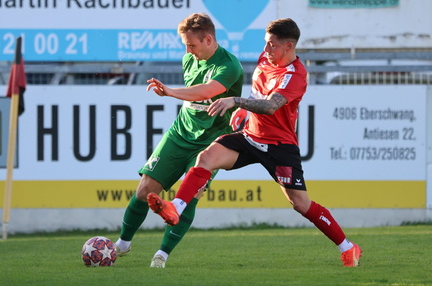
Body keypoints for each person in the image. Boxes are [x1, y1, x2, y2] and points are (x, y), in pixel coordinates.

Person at [148, 18, 363, 267]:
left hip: (279, 146)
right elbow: (258, 93)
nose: (266, 50)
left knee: (301, 204)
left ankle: (348, 248)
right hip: (249, 137)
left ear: (289, 46)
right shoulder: (265, 58)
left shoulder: (296, 75)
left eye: (272, 45)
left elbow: (271, 106)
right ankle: (175, 207)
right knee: (206, 158)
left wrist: (236, 102)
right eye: (265, 43)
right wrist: (245, 110)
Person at [114, 13, 244, 268]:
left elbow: (206, 92)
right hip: (180, 134)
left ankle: (162, 255)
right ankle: (122, 244)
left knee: (191, 196)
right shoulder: (189, 59)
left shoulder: (229, 66)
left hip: (211, 142)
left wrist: (171, 91)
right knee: (144, 189)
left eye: (192, 44)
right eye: (185, 45)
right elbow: (194, 95)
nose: (187, 50)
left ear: (208, 39)